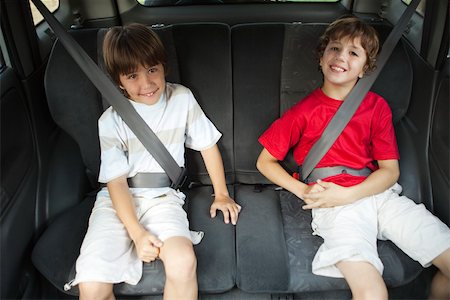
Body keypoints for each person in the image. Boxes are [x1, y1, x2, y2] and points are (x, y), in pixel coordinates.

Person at [256, 16, 450, 300]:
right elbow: (265, 161)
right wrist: (304, 190)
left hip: (380, 196)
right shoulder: (304, 111)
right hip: (335, 207)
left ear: (365, 69)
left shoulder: (376, 107)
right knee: (372, 292)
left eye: (353, 53)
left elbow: (389, 171)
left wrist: (353, 194)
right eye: (335, 49)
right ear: (321, 58)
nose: (341, 57)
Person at [68, 23, 241, 300]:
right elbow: (116, 184)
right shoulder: (111, 121)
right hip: (116, 203)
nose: (146, 84)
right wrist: (136, 234)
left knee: (183, 262)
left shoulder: (181, 98)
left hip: (163, 198)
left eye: (152, 70)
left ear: (164, 66)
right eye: (132, 75)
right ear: (118, 81)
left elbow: (208, 146)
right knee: (92, 286)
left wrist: (221, 194)